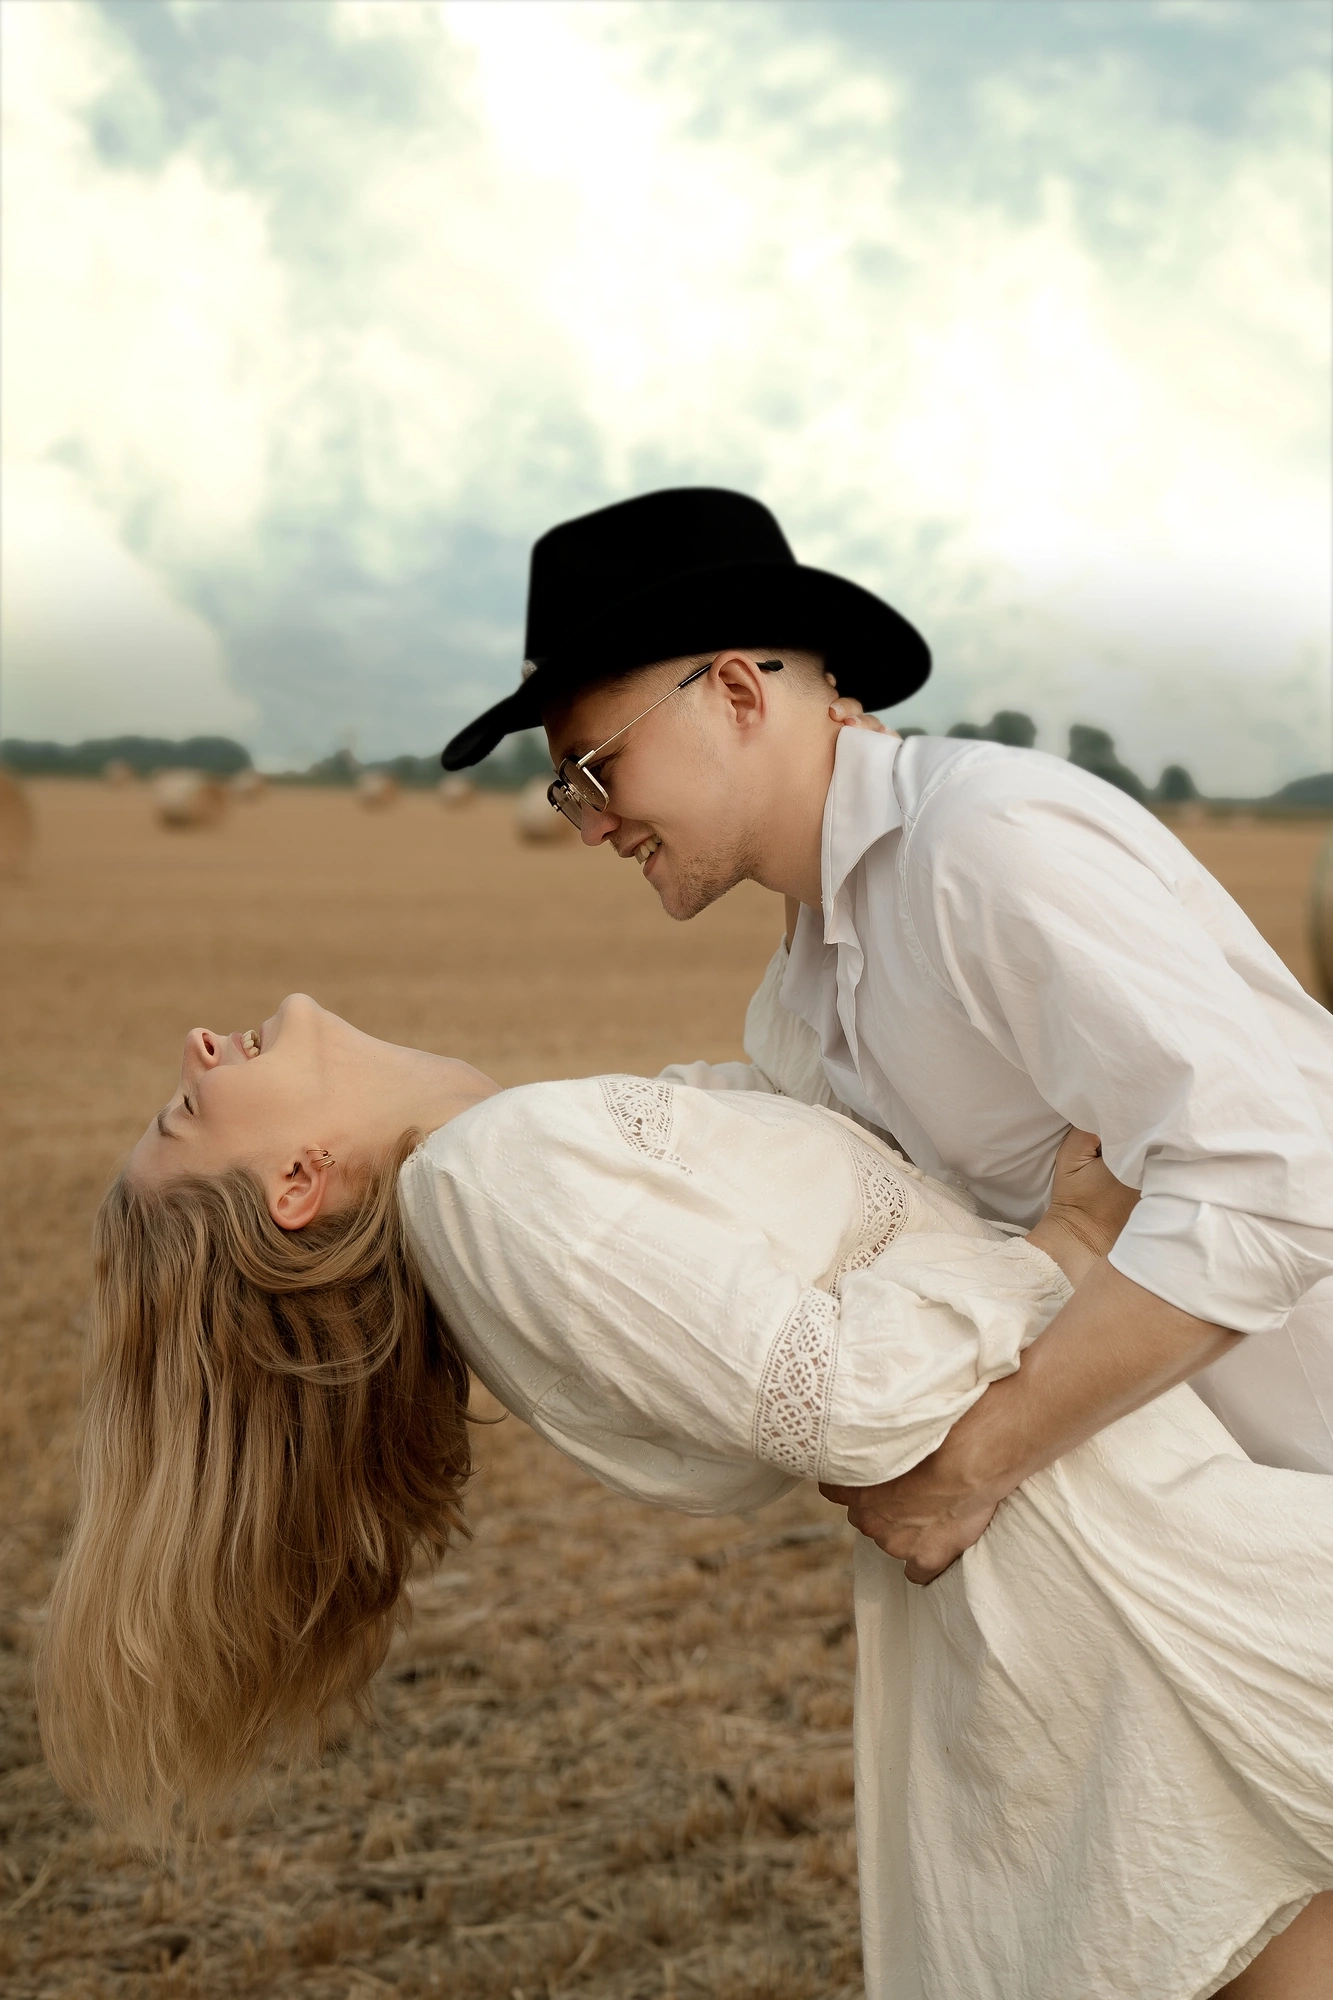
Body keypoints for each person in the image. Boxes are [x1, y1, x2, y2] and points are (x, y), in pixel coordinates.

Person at [39, 995, 1333, 2000]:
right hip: (1119, 1559)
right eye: (186, 1113)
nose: (202, 1046)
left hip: (1082, 1556)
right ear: (297, 1185)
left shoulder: (493, 1202)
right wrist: (1063, 1248)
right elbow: (846, 1398)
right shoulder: (491, 1180)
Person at [440, 487, 1333, 1587]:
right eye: (567, 789)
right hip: (1245, 1533)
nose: (590, 824)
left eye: (595, 769)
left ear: (730, 691)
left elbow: (1270, 1183)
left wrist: (979, 1457)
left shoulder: (981, 845)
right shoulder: (809, 965)